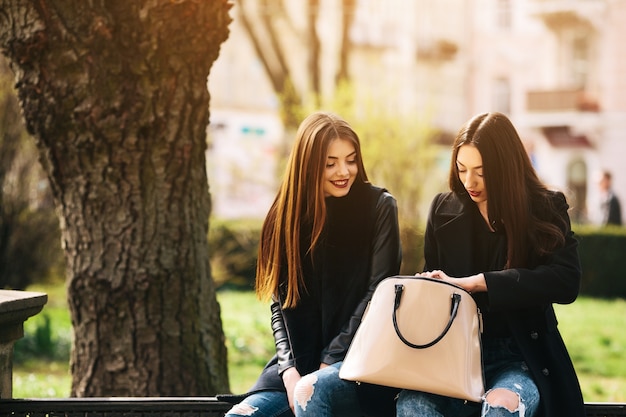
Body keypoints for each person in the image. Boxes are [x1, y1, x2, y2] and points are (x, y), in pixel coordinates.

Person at [396, 112, 585, 417]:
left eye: (481, 172)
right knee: (412, 406)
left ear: (506, 168)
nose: (469, 182)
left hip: (520, 356)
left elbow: (566, 281)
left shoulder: (545, 207)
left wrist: (480, 282)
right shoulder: (443, 210)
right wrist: (431, 284)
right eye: (461, 169)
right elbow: (436, 293)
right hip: (453, 356)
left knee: (501, 408)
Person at [219, 111, 402, 417]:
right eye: (330, 163)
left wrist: (327, 363)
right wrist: (289, 370)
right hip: (293, 366)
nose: (343, 171)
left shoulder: (380, 208)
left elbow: (378, 294)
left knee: (311, 392)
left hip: (355, 364)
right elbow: (279, 304)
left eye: (350, 159)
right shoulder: (284, 216)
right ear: (308, 165)